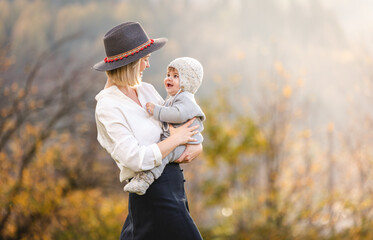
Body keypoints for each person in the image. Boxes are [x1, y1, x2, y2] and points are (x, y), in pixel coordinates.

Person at [93, 22, 203, 240]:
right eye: (145, 59)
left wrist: (196, 143)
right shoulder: (108, 106)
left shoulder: (147, 90)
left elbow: (179, 123)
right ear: (131, 63)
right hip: (153, 193)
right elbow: (135, 158)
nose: (148, 65)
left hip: (174, 184)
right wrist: (177, 140)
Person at [123, 57, 205, 195]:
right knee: (162, 151)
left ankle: (145, 180)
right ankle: (142, 177)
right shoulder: (173, 98)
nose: (169, 79)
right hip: (179, 140)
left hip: (183, 144)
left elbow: (178, 115)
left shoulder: (185, 98)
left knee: (163, 156)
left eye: (176, 76)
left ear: (187, 82)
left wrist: (157, 110)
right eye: (168, 75)